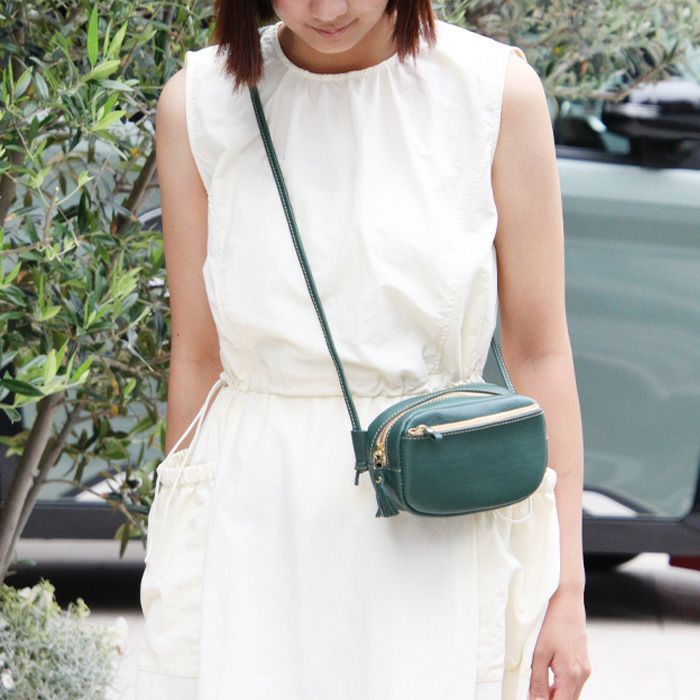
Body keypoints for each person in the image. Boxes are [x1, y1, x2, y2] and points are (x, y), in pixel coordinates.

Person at [135, 0, 592, 697]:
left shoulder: (492, 92)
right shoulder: (201, 101)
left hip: (431, 522)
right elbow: (198, 356)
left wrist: (567, 589)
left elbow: (540, 353)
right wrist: (177, 551)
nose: (327, 9)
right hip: (251, 536)